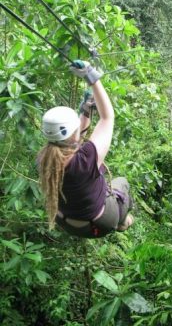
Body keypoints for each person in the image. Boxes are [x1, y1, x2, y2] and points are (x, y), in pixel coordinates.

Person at [38, 60, 134, 238]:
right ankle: (123, 222)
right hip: (99, 222)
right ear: (74, 133)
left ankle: (120, 220)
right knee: (122, 183)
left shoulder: (44, 158)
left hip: (65, 221)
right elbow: (107, 118)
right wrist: (92, 76)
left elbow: (72, 142)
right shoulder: (86, 159)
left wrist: (86, 110)